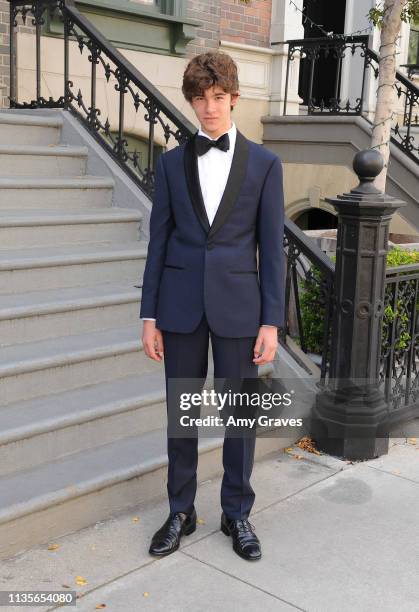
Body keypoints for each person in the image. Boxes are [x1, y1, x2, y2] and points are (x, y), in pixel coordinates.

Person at [140, 51, 285, 562]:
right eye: (200, 99)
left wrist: (272, 320)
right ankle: (181, 509)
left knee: (239, 417)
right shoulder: (171, 161)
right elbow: (160, 241)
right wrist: (149, 315)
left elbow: (272, 246)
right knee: (182, 416)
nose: (209, 108)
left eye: (218, 98)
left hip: (240, 310)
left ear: (234, 99)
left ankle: (237, 512)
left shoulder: (266, 164)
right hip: (178, 308)